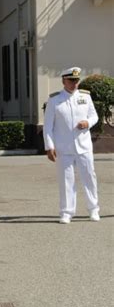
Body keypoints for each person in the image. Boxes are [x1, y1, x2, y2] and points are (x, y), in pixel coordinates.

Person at [43, 67, 100, 224]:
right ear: (63, 81)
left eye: (76, 80)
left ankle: (93, 209)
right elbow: (48, 126)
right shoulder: (54, 100)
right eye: (70, 80)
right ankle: (66, 212)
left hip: (84, 146)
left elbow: (94, 116)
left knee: (89, 177)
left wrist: (87, 122)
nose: (74, 83)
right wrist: (49, 146)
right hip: (63, 148)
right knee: (66, 180)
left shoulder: (85, 97)